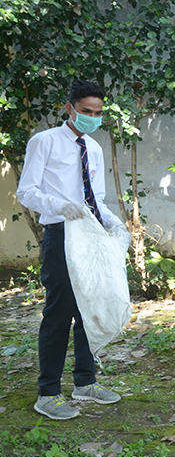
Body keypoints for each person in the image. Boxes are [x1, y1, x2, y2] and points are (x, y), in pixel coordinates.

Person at [17, 80, 126, 420]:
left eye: (98, 112)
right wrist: (59, 206)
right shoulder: (45, 142)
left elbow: (97, 199)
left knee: (88, 307)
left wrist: (115, 223)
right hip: (61, 233)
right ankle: (48, 392)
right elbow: (26, 191)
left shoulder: (93, 148)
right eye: (85, 111)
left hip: (90, 235)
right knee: (59, 313)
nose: (92, 117)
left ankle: (85, 382)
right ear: (69, 108)